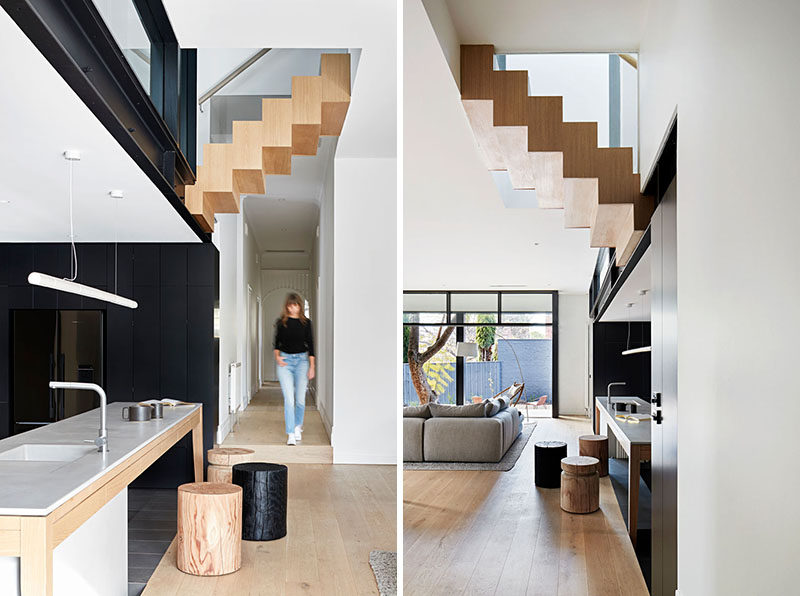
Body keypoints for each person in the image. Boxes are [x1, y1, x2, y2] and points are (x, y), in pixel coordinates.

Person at [273, 293, 315, 445]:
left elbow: (311, 345)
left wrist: (312, 367)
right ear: (287, 306)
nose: (292, 308)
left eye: (295, 305)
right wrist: (277, 357)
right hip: (285, 362)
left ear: (300, 306)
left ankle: (298, 426)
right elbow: (277, 344)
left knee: (300, 400)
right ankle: (290, 433)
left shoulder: (306, 323)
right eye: (290, 305)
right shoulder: (281, 323)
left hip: (302, 362)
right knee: (289, 399)